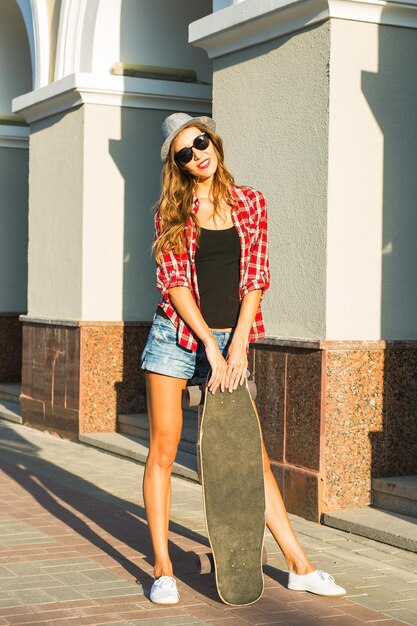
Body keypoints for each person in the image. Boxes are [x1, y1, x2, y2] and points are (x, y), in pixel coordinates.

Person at [140, 112, 346, 605]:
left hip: (231, 341)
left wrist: (235, 345)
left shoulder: (250, 202)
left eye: (202, 142)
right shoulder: (170, 211)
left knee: (251, 458)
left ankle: (299, 565)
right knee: (164, 451)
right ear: (177, 164)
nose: (198, 155)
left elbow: (256, 276)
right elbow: (174, 283)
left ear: (215, 140)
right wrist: (209, 344)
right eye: (185, 153)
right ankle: (164, 569)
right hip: (175, 336)